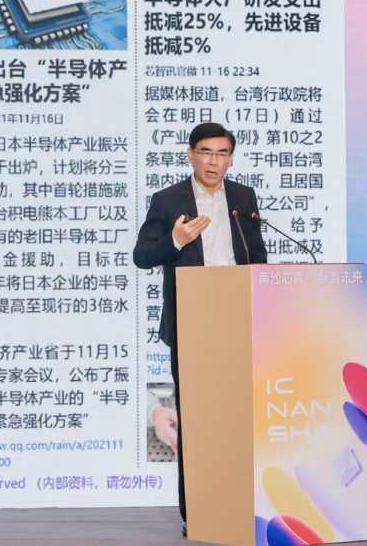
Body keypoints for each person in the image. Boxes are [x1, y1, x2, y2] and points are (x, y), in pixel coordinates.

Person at [133, 121, 267, 532]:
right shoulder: (169, 199)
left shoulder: (243, 198)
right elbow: (142, 256)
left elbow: (257, 254)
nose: (213, 162)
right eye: (206, 152)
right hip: (193, 321)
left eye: (222, 153)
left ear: (231, 158)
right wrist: (174, 241)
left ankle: (241, 503)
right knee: (197, 419)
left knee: (240, 416)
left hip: (240, 317)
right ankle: (199, 512)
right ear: (190, 155)